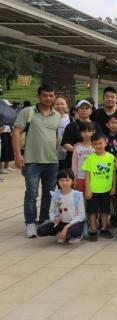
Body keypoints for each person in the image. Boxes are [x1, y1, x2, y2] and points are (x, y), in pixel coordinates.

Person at [12, 84, 61, 238]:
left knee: (49, 193)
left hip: (52, 161)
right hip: (32, 161)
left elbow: (55, 136)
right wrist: (18, 155)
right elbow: (16, 133)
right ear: (38, 96)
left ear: (55, 97)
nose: (48, 98)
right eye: (45, 95)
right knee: (31, 193)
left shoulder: (57, 115)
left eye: (51, 95)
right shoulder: (28, 112)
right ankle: (30, 223)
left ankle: (44, 220)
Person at [82, 133, 116, 241]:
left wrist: (114, 186)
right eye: (95, 144)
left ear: (106, 143)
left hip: (106, 189)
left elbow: (114, 173)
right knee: (92, 211)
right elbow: (87, 175)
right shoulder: (90, 158)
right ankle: (93, 229)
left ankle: (104, 228)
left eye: (100, 143)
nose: (98, 146)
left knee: (105, 210)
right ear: (92, 145)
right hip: (93, 190)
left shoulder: (111, 157)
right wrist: (87, 189)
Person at [36, 169, 85, 244]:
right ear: (58, 181)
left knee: (74, 232)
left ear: (72, 181)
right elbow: (51, 212)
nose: (64, 183)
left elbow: (82, 215)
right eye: (61, 180)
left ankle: (73, 234)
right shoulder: (55, 194)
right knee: (40, 230)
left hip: (74, 223)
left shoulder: (77, 195)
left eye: (67, 180)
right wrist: (54, 219)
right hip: (60, 222)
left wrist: (67, 226)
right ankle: (61, 233)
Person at [61, 100, 102, 168]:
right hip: (74, 161)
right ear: (77, 111)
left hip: (93, 160)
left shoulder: (96, 125)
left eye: (87, 108)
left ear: (91, 111)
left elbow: (101, 141)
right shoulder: (71, 126)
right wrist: (79, 151)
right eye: (82, 108)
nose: (84, 110)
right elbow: (65, 144)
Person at [70, 122, 95, 192]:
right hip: (80, 178)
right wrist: (73, 179)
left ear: (93, 132)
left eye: (89, 131)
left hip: (93, 178)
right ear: (80, 133)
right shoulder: (77, 147)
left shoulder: (96, 146)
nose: (86, 134)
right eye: (84, 132)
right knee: (80, 198)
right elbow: (74, 165)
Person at [54, 96, 71, 170]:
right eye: (57, 104)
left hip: (67, 155)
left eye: (62, 104)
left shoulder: (70, 119)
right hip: (52, 155)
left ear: (66, 105)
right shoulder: (49, 119)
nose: (60, 106)